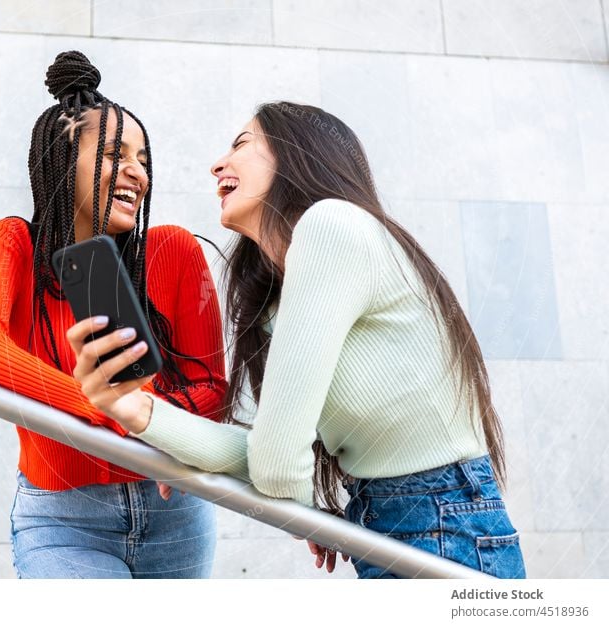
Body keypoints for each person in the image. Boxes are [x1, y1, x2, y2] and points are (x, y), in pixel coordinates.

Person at [69, 101, 527, 579]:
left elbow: (275, 465)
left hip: (441, 524)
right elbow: (267, 453)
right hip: (396, 521)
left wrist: (299, 502)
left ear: (297, 155)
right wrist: (132, 409)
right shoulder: (282, 292)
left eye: (241, 144)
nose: (217, 164)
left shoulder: (333, 225)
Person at [0, 51, 227, 578]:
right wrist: (111, 408)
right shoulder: (13, 246)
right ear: (63, 160)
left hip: (174, 509)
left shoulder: (172, 251)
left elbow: (210, 386)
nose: (138, 172)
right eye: (118, 154)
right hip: (64, 518)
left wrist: (150, 421)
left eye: (145, 159)